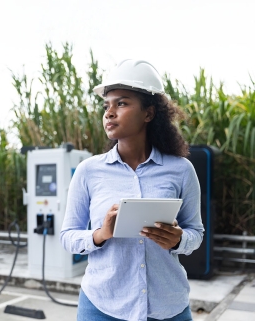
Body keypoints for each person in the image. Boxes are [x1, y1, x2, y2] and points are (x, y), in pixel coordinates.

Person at [59, 59, 204, 321]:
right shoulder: (88, 171)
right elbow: (67, 237)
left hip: (168, 307)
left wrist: (179, 239)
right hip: (103, 306)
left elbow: (196, 233)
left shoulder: (181, 170)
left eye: (122, 103)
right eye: (106, 106)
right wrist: (101, 234)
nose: (109, 112)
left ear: (148, 113)